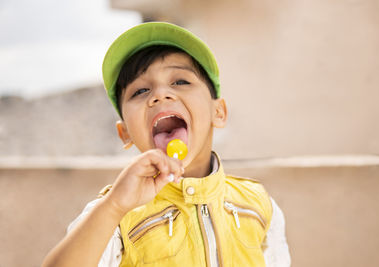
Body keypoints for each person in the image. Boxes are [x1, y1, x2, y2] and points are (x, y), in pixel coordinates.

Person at [42, 22, 291, 267]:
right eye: (140, 91)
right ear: (125, 132)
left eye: (180, 81)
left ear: (219, 112)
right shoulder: (114, 213)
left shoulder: (258, 204)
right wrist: (115, 206)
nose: (160, 94)